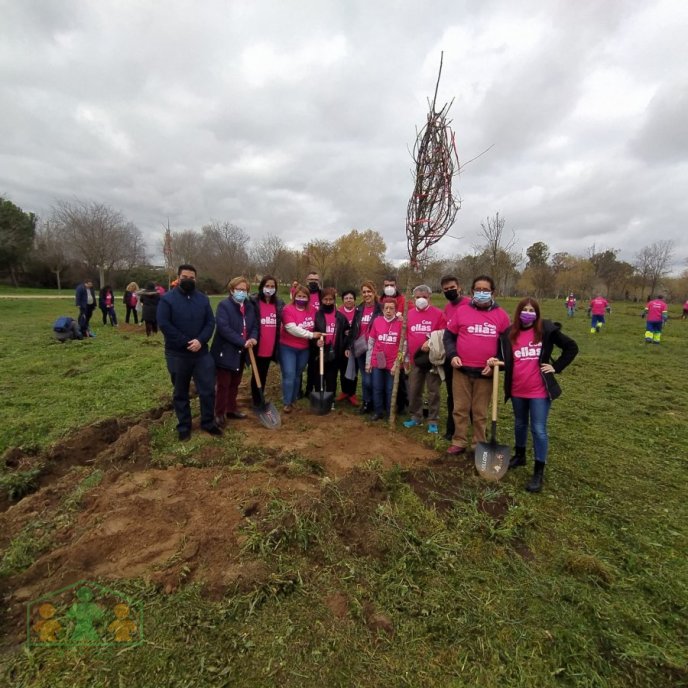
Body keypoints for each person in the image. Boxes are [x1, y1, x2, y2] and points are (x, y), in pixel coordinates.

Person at [487, 298, 578, 493]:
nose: (528, 312)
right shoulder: (509, 334)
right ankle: (520, 456)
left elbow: (572, 347)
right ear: (518, 312)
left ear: (537, 313)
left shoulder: (546, 331)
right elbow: (504, 359)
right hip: (517, 388)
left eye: (532, 310)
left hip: (539, 390)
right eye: (524, 309)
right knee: (520, 423)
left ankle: (538, 470)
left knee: (538, 428)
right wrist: (495, 361)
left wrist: (556, 366)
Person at [443, 275, 510, 456]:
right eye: (478, 290)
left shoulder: (501, 316)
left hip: (486, 374)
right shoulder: (462, 311)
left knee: (480, 412)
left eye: (485, 290)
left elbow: (507, 346)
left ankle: (478, 444)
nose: (481, 293)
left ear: (492, 292)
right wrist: (452, 354)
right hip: (462, 370)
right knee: (460, 409)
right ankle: (459, 441)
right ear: (472, 292)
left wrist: (497, 362)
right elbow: (448, 336)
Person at [157, 264, 221, 440]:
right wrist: (186, 342)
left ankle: (208, 422)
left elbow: (210, 322)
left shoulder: (202, 299)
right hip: (178, 354)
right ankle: (184, 426)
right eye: (185, 277)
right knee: (180, 391)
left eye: (192, 277)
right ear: (178, 278)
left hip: (201, 353)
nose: (188, 280)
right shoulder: (167, 300)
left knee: (207, 389)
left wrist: (201, 340)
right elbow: (164, 324)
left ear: (196, 279)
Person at [210, 276, 258, 426]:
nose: (241, 292)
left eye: (244, 290)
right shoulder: (224, 306)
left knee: (235, 382)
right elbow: (224, 329)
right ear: (232, 290)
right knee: (223, 384)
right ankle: (219, 413)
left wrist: (253, 338)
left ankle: (231, 409)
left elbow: (255, 326)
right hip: (226, 350)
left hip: (242, 351)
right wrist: (242, 342)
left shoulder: (249, 307)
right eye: (239, 289)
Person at [402, 285, 446, 434]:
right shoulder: (409, 315)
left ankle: (433, 419)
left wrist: (430, 342)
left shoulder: (438, 314)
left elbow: (442, 334)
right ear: (413, 299)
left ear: (430, 298)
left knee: (433, 391)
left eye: (425, 297)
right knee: (414, 389)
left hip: (432, 360)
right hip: (415, 360)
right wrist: (405, 357)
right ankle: (416, 416)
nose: (421, 300)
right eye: (418, 297)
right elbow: (405, 338)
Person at [279, 283, 324, 413]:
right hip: (288, 347)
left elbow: (320, 324)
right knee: (289, 374)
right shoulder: (288, 309)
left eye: (304, 296)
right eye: (299, 296)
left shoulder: (312, 311)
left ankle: (294, 400)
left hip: (304, 348)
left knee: (298, 374)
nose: (302, 298)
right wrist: (311, 335)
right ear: (294, 296)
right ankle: (287, 402)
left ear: (308, 298)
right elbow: (291, 328)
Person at [249, 275, 284, 409]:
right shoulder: (254, 302)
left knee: (264, 373)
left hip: (271, 345)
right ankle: (257, 400)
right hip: (258, 344)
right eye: (267, 286)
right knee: (257, 374)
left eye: (272, 286)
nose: (270, 289)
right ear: (262, 287)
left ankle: (259, 396)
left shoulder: (278, 304)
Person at [440, 275, 469, 440]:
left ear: (459, 287)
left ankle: (477, 431)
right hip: (451, 356)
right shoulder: (447, 307)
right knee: (452, 394)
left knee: (470, 396)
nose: (449, 291)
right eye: (446, 289)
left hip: (468, 356)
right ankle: (451, 429)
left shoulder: (469, 304)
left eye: (452, 288)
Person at [348, 280, 382, 414]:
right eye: (364, 292)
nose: (367, 294)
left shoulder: (381, 308)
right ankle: (367, 402)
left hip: (377, 349)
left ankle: (378, 404)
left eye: (369, 291)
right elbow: (353, 329)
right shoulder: (359, 308)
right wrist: (350, 345)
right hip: (361, 348)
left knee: (377, 378)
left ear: (374, 292)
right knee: (366, 378)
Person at [366, 298, 402, 420]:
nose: (388, 311)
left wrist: (397, 363)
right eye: (386, 308)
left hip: (392, 363)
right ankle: (378, 411)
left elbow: (403, 347)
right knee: (377, 387)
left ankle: (389, 411)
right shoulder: (377, 321)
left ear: (396, 310)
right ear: (382, 309)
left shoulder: (401, 324)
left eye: (391, 308)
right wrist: (368, 362)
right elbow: (371, 342)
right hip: (378, 361)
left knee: (390, 389)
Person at [314, 287, 349, 404]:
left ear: (334, 300)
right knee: (319, 377)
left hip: (335, 353)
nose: (328, 302)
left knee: (331, 378)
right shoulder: (317, 316)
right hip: (320, 353)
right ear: (321, 300)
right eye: (325, 299)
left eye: (330, 299)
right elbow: (311, 332)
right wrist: (316, 342)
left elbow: (346, 334)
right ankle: (319, 399)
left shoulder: (340, 317)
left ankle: (330, 400)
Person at [336, 289, 359, 405]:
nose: (349, 300)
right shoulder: (338, 312)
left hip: (355, 345)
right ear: (343, 300)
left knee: (353, 369)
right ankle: (344, 391)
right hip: (342, 345)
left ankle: (352, 393)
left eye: (351, 298)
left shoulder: (359, 311)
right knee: (343, 368)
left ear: (354, 300)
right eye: (346, 298)